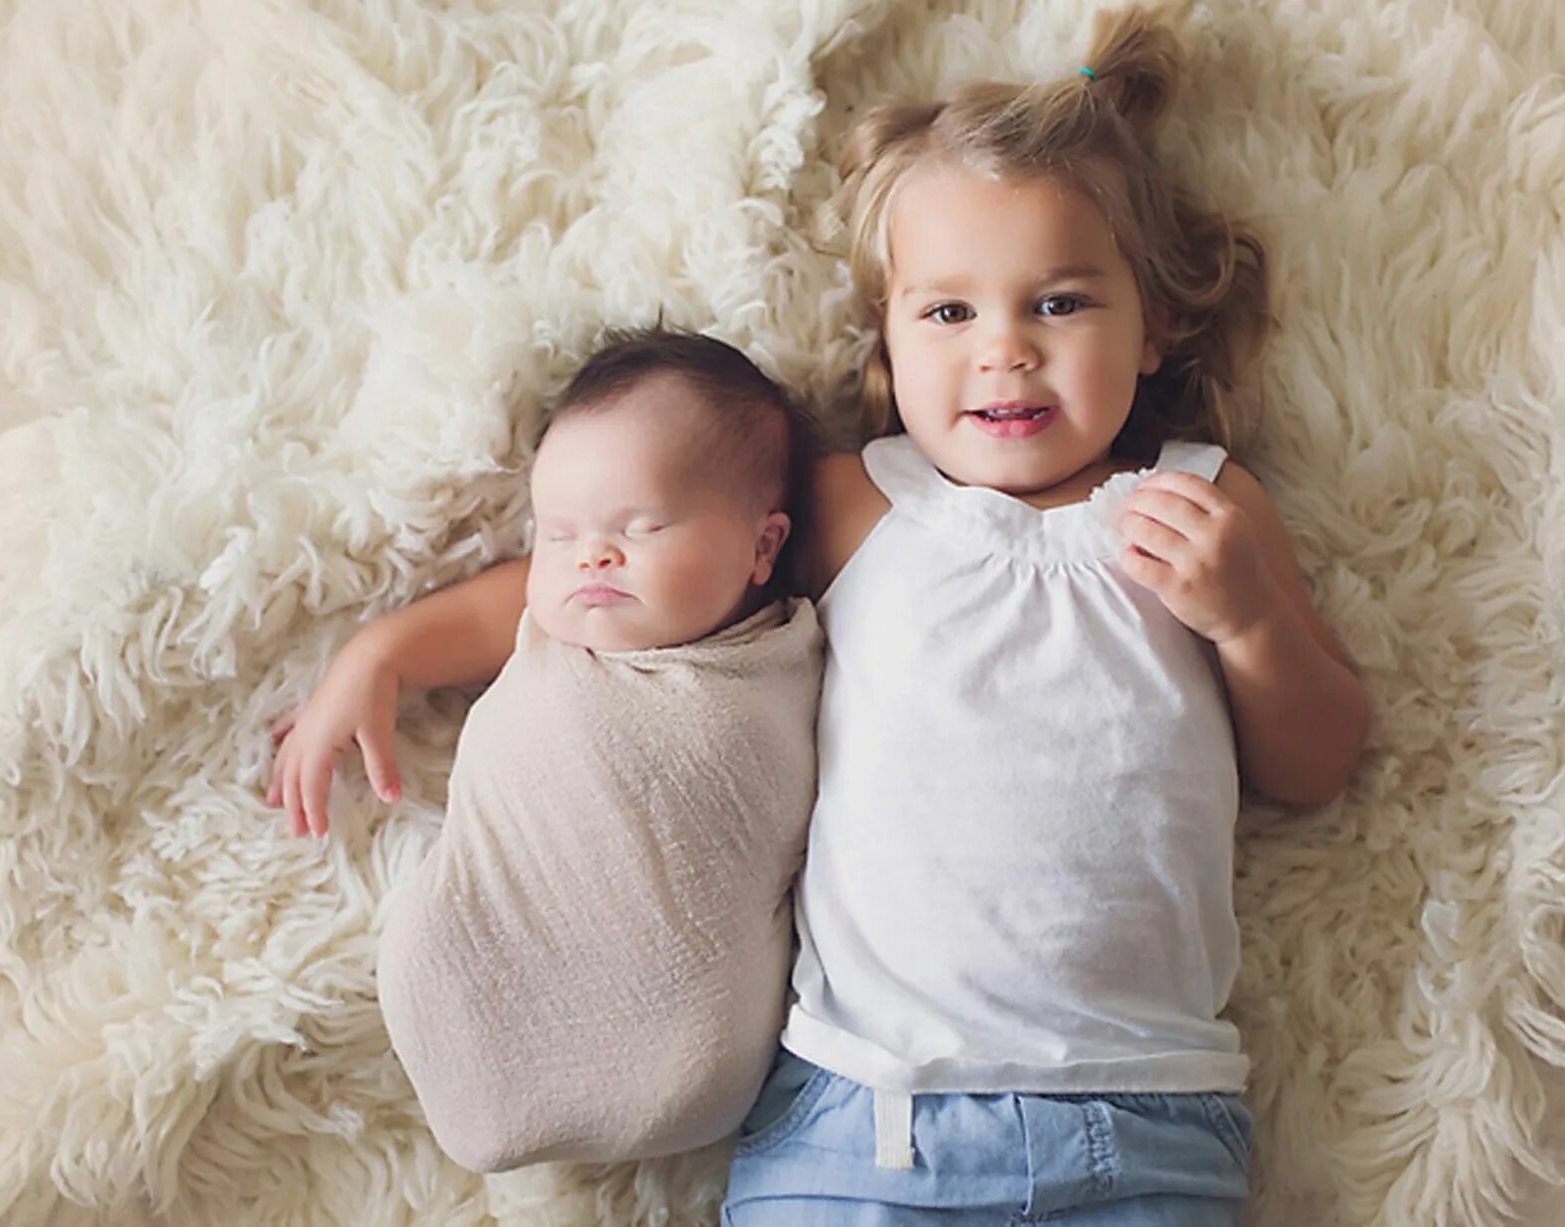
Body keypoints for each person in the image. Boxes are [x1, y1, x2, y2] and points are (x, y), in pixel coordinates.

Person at [272, 4, 1372, 1217]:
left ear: (1153, 317)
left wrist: (1251, 622)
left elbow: (1316, 763)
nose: (1002, 353)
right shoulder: (856, 506)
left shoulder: (1203, 507)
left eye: (1057, 304)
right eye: (949, 313)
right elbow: (617, 568)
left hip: (1140, 1115)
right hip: (858, 1112)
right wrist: (388, 650)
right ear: (888, 343)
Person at [268, 327, 824, 1171]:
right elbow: (490, 613)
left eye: (642, 525)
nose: (591, 557)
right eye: (557, 533)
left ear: (762, 546)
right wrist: (373, 655)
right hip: (495, 939)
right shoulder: (556, 621)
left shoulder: (781, 655)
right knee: (428, 933)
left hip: (686, 1036)